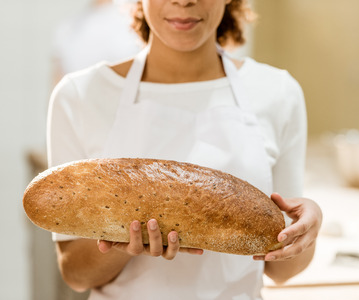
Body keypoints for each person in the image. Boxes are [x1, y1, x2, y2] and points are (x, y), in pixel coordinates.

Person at [46, 0, 323, 299]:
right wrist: (122, 242)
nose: (184, 1)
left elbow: (283, 270)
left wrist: (310, 227)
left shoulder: (277, 92)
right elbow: (75, 273)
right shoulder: (80, 97)